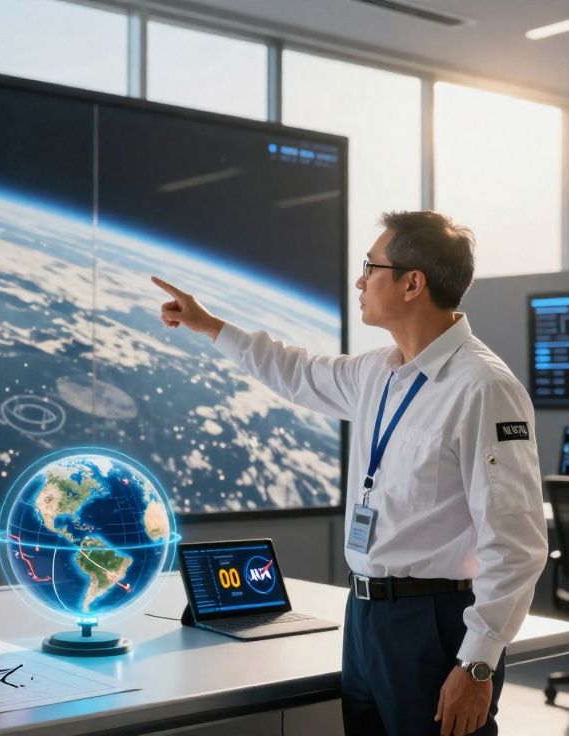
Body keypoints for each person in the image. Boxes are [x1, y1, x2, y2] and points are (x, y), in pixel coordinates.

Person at [152, 210, 548, 736]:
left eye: (370, 266)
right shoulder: (378, 373)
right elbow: (295, 372)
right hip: (364, 619)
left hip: (434, 623)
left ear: (412, 283)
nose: (360, 280)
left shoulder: (483, 387)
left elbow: (516, 543)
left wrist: (477, 662)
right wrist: (210, 326)